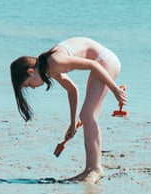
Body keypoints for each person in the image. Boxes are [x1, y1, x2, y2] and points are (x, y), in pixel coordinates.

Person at [10, 37, 126, 183]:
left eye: (28, 84)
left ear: (31, 71)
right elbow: (72, 90)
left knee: (88, 115)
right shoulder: (49, 68)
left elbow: (92, 65)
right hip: (99, 63)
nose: (32, 87)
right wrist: (72, 123)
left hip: (105, 62)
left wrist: (115, 89)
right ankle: (89, 169)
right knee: (86, 116)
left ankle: (96, 169)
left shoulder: (55, 62)